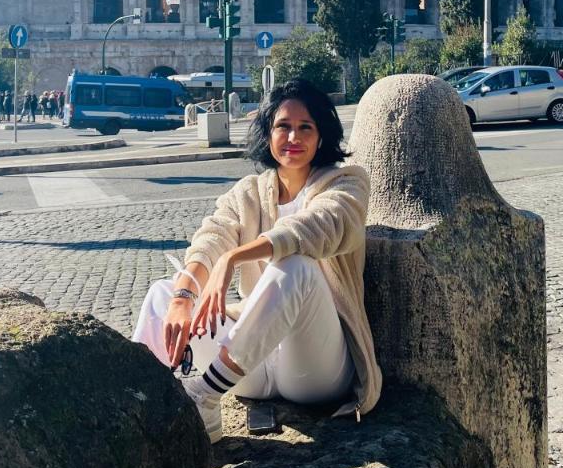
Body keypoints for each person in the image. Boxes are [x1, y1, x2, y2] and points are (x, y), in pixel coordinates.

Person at [132, 78, 381, 443]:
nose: (293, 137)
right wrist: (184, 296)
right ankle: (147, 405)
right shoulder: (248, 192)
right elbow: (211, 237)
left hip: (316, 369)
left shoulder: (346, 182)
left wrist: (234, 259)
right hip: (252, 368)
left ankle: (203, 395)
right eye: (283, 126)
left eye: (305, 127)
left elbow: (319, 228)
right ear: (267, 133)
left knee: (296, 264)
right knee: (162, 295)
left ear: (322, 135)